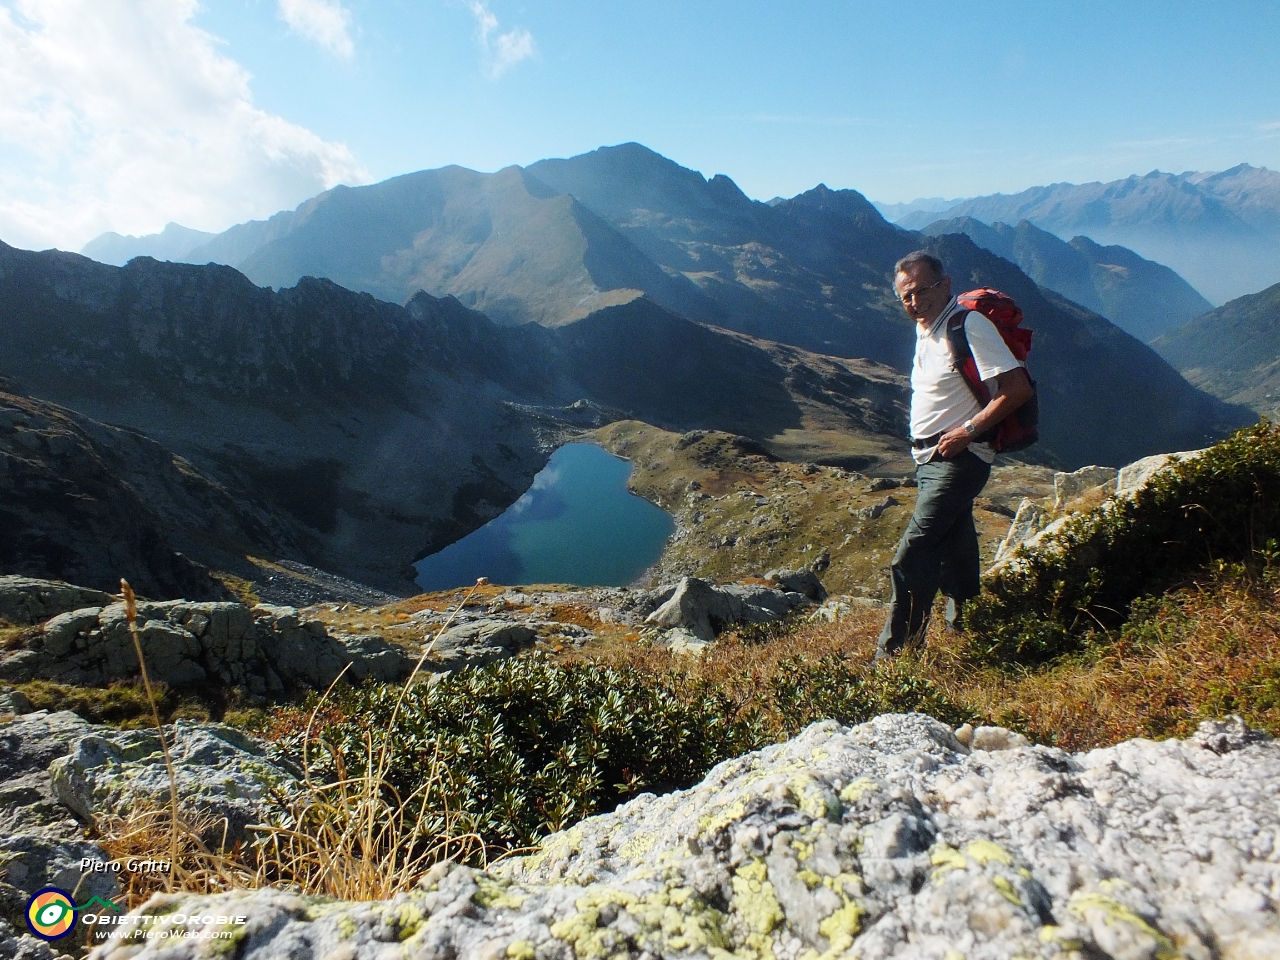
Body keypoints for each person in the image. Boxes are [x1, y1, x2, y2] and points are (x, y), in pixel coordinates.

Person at [876, 251, 1033, 660]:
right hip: (929, 461)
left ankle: (895, 658)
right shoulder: (927, 328)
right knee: (955, 544)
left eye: (921, 291)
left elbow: (1016, 389)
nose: (913, 303)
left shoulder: (969, 325)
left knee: (914, 553)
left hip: (960, 458)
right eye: (905, 297)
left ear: (945, 285)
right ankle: (969, 623)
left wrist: (967, 431)